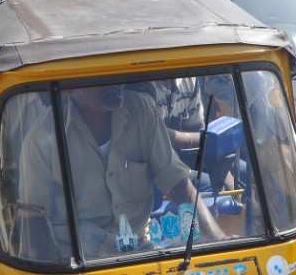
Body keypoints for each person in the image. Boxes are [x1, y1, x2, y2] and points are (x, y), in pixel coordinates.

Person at [18, 84, 224, 259]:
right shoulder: (41, 139)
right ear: (70, 87)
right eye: (100, 79)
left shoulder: (141, 112)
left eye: (115, 75)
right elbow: (34, 223)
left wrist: (216, 239)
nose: (114, 84)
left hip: (138, 253)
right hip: (77, 262)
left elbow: (179, 184)